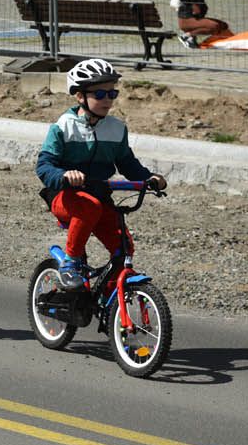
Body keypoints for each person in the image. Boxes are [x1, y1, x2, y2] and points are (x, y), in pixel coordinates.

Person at [35, 59, 166, 290]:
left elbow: (126, 162)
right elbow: (45, 166)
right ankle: (71, 263)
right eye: (99, 94)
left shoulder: (116, 128)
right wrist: (65, 175)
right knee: (90, 207)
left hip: (99, 195)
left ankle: (109, 299)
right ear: (79, 95)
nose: (107, 99)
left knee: (123, 247)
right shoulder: (64, 126)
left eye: (112, 93)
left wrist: (149, 178)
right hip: (65, 196)